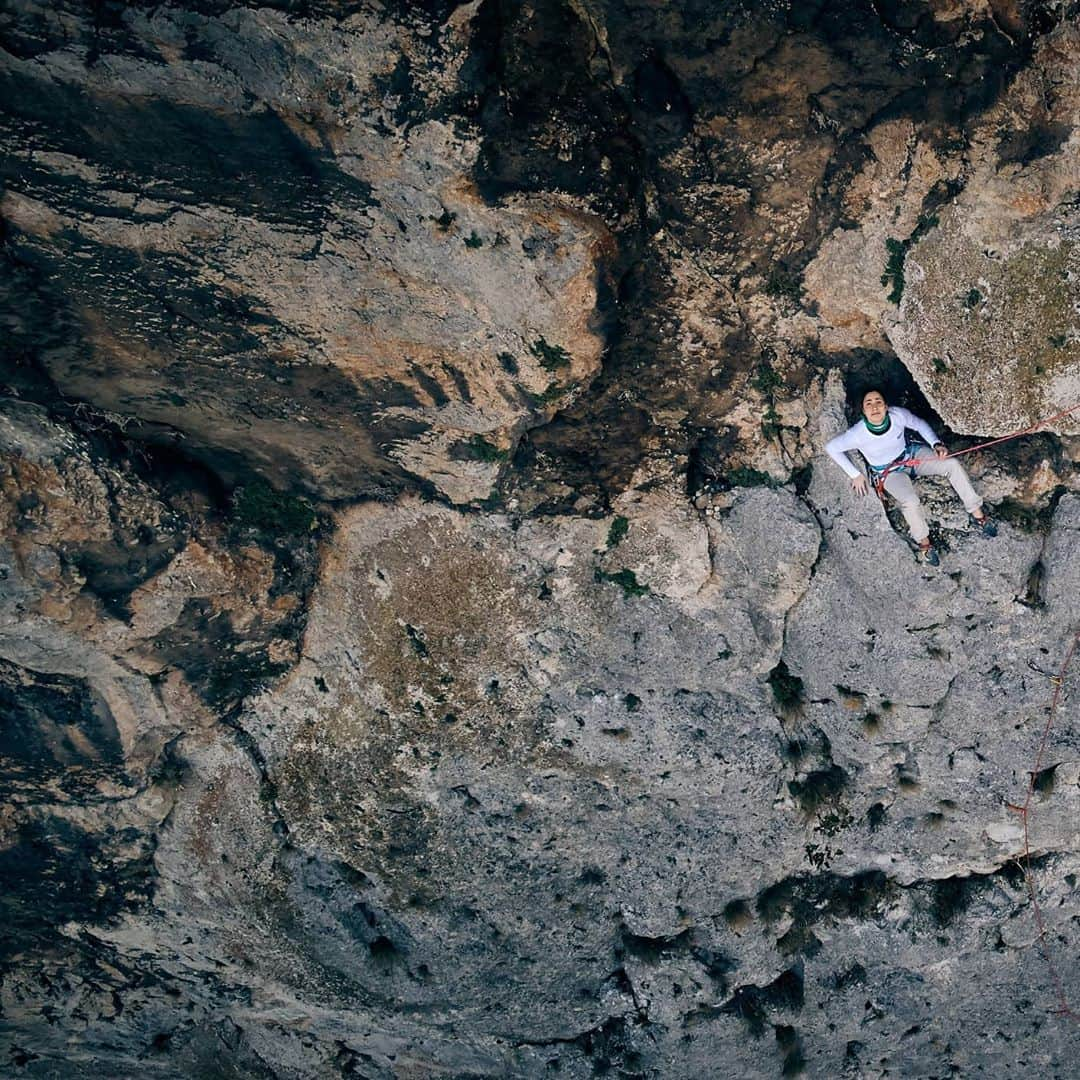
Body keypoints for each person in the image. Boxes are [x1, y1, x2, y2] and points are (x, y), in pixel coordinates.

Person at [825, 388, 996, 565]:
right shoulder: (857, 434)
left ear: (886, 406)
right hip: (889, 473)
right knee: (910, 501)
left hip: (911, 455)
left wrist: (935, 443)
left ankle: (978, 514)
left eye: (878, 402)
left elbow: (919, 424)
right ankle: (924, 545)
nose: (874, 407)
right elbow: (832, 448)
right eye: (869, 403)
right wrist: (855, 474)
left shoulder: (897, 415)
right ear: (863, 411)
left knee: (951, 464)